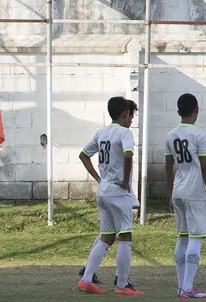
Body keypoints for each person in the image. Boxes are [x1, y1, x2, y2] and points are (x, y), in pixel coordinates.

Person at [77, 97, 142, 295]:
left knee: (106, 237)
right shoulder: (125, 133)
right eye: (131, 115)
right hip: (117, 190)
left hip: (103, 190)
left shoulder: (101, 132)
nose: (131, 119)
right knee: (125, 236)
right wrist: (124, 180)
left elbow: (83, 155)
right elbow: (128, 155)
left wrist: (98, 178)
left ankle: (86, 280)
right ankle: (122, 285)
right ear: (124, 114)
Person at [165, 93, 206, 299]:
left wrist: (170, 193)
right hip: (194, 192)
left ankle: (183, 286)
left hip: (178, 191)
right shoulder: (199, 135)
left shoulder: (171, 135)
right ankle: (187, 287)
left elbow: (168, 166)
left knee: (183, 237)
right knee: (195, 238)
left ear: (179, 111)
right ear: (196, 110)